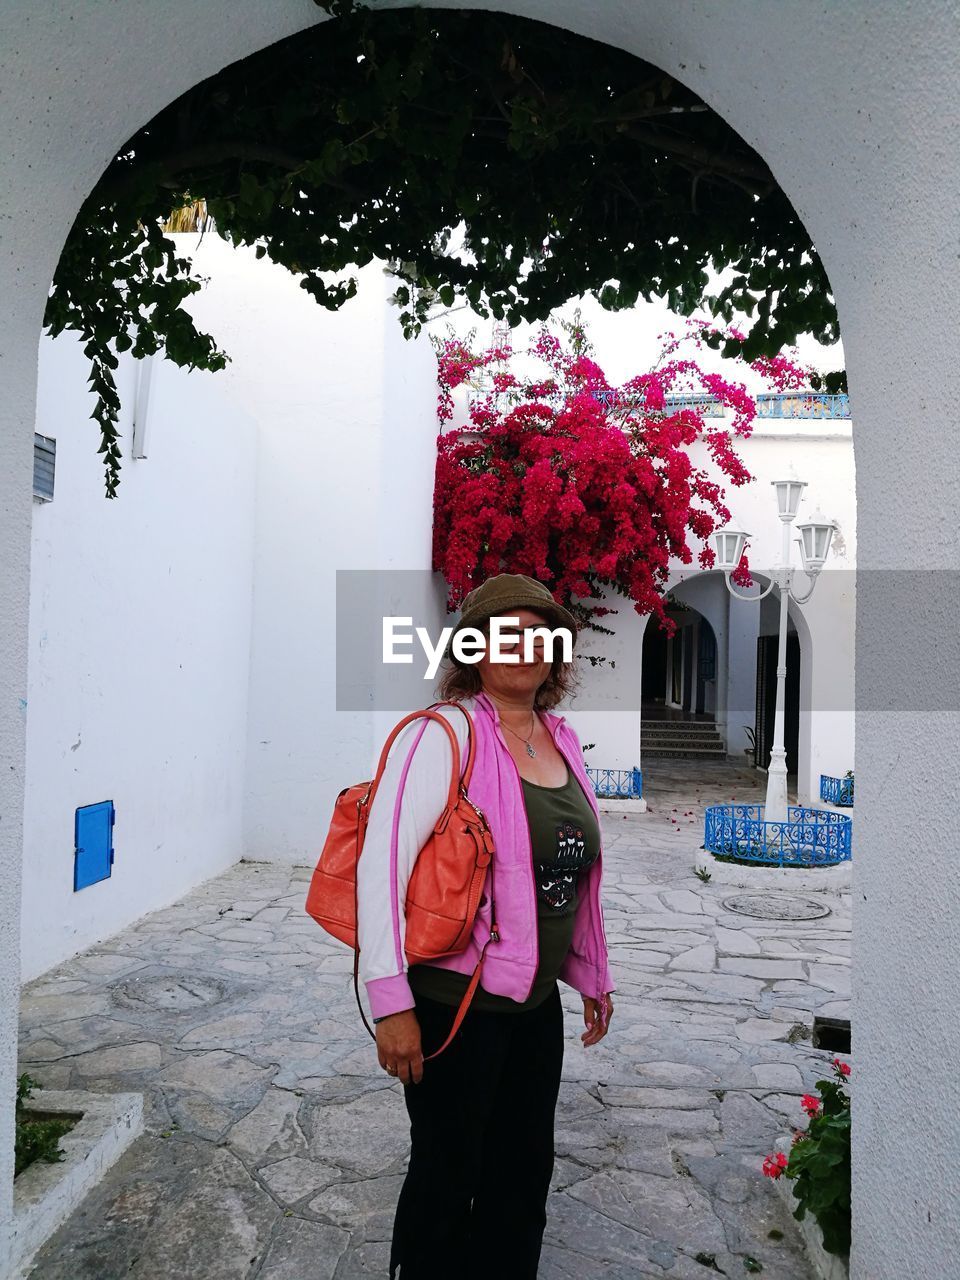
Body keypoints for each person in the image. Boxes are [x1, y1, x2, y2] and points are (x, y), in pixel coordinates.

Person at [355, 573, 616, 1279]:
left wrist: (591, 975)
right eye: (505, 630)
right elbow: (379, 870)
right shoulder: (443, 736)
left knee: (522, 1177)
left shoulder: (559, 739)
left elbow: (570, 872)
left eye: (540, 632)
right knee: (446, 1177)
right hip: (452, 1005)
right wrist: (391, 1006)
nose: (523, 644)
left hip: (534, 1007)